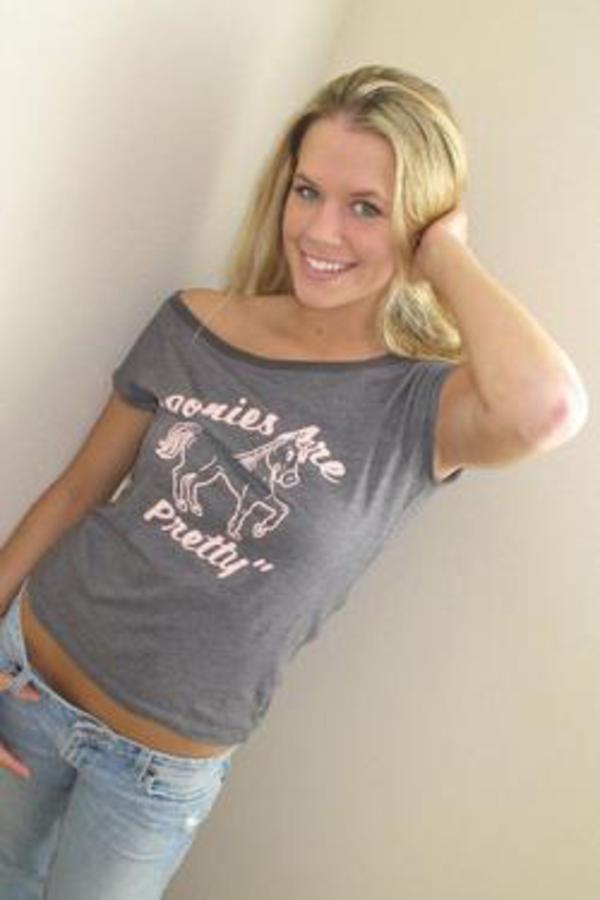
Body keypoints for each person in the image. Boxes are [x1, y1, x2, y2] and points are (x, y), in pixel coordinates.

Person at [0, 63, 587, 899]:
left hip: (155, 775)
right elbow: (75, 492)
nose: (320, 231)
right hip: (26, 677)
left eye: (367, 207)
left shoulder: (423, 405)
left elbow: (548, 407)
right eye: (307, 192)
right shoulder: (195, 320)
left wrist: (446, 255)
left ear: (419, 222)